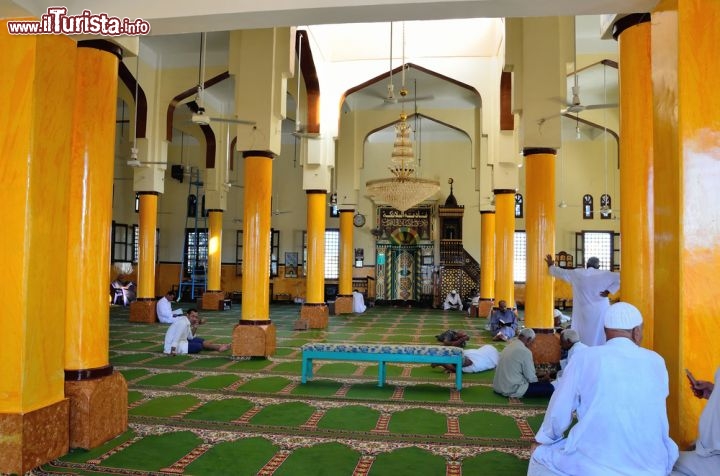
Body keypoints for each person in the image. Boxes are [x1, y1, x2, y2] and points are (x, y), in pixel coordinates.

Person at [529, 302, 678, 476]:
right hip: (652, 464)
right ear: (637, 332)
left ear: (605, 332)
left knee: (539, 456)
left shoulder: (585, 357)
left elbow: (560, 407)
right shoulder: (656, 361)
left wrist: (544, 439)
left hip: (595, 464)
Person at [544, 254, 620, 346]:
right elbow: (622, 278)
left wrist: (551, 265)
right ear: (598, 266)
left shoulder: (577, 273)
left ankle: (582, 348)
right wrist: (609, 290)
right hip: (600, 309)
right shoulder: (606, 274)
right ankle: (599, 348)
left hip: (583, 310)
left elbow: (561, 272)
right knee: (599, 330)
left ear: (586, 265)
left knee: (582, 331)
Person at [671, 366, 720, 476]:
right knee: (661, 461)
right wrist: (714, 391)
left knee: (659, 464)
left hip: (714, 454)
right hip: (707, 452)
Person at [492, 328, 555, 398]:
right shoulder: (525, 351)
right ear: (529, 340)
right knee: (549, 388)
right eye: (532, 342)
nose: (532, 345)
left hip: (498, 386)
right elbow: (532, 380)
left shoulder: (509, 345)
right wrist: (542, 381)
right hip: (511, 389)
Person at [163, 308, 230, 355]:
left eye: (196, 317)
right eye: (193, 316)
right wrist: (172, 351)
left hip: (182, 341)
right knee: (198, 346)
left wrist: (195, 327)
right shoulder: (182, 323)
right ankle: (215, 347)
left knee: (200, 340)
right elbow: (176, 338)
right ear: (187, 315)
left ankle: (218, 347)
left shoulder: (186, 322)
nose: (194, 319)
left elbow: (190, 337)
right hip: (173, 346)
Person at [433, 344, 499, 374]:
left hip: (488, 354)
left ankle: (444, 361)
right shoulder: (465, 355)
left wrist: (442, 363)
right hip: (488, 351)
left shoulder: (472, 366)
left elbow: (457, 369)